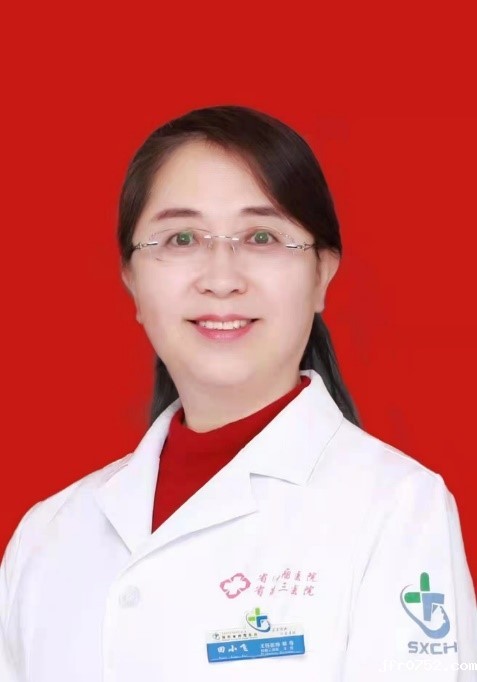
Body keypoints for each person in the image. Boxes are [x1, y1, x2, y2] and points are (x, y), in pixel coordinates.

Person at [1, 105, 476, 681]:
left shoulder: (399, 510)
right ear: (131, 279)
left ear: (322, 275)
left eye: (262, 237)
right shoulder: (48, 536)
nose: (222, 278)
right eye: (181, 237)